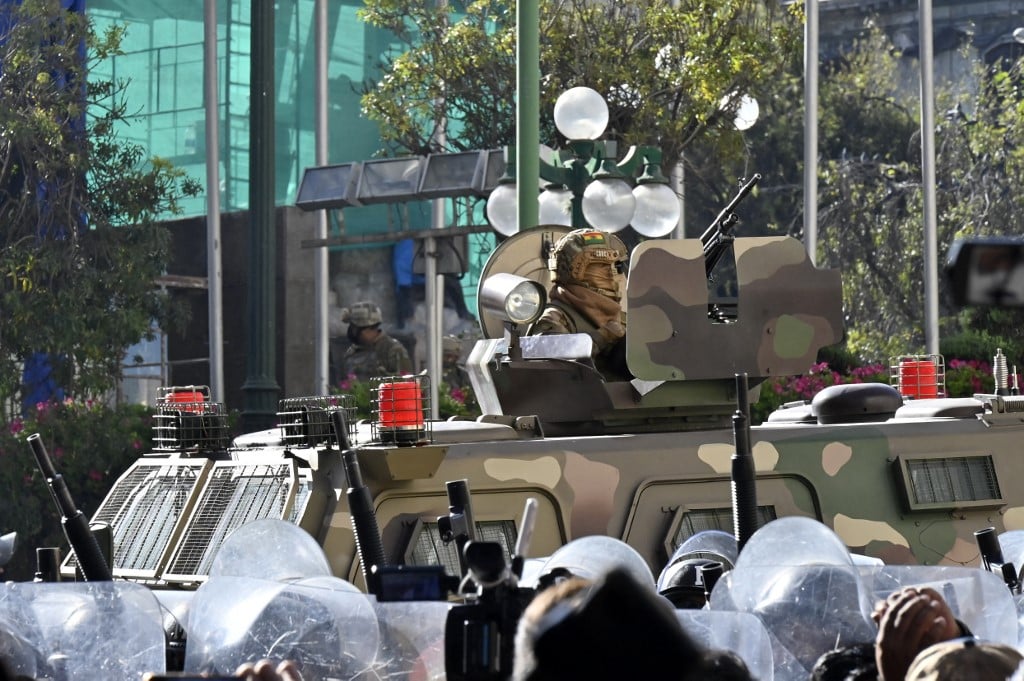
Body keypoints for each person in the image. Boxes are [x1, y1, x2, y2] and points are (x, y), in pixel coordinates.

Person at [526, 228, 629, 380]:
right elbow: (553, 371)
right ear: (578, 271)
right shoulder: (554, 318)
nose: (614, 275)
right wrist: (601, 338)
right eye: (604, 266)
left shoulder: (623, 320)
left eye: (617, 267)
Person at [341, 301, 412, 382]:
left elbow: (407, 383)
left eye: (353, 327)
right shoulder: (351, 352)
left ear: (365, 329)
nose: (351, 331)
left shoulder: (393, 350)